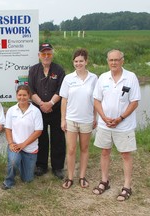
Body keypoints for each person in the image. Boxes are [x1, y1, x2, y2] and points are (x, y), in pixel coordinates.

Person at [92, 49, 141, 201]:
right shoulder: (103, 78)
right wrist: (104, 117)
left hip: (123, 125)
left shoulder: (130, 77)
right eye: (111, 60)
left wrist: (120, 118)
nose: (114, 63)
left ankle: (127, 186)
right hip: (105, 124)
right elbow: (96, 100)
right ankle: (104, 181)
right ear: (107, 61)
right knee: (105, 152)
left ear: (122, 60)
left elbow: (134, 102)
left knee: (125, 154)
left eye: (117, 60)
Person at [59, 49, 98, 189]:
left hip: (87, 120)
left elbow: (96, 100)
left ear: (86, 61)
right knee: (70, 149)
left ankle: (82, 176)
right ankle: (70, 177)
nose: (78, 63)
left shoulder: (94, 78)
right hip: (71, 120)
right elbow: (64, 100)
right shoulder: (68, 78)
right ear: (73, 62)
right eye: (76, 61)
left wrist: (95, 117)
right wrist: (63, 119)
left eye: (81, 61)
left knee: (85, 148)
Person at [28, 43, 66, 179]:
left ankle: (58, 167)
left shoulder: (59, 70)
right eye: (43, 54)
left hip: (56, 109)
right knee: (41, 138)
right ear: (39, 55)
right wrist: (42, 104)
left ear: (52, 55)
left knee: (58, 139)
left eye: (48, 53)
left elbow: (61, 90)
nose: (46, 56)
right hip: (38, 111)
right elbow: (31, 90)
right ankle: (41, 165)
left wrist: (50, 103)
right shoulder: (33, 70)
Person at [1, 85, 43, 190]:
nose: (22, 97)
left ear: (29, 96)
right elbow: (8, 129)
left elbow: (38, 131)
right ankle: (9, 181)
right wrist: (11, 143)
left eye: (24, 95)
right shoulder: (11, 110)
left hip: (30, 149)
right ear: (16, 96)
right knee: (14, 161)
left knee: (27, 179)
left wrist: (23, 144)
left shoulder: (35, 111)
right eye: (19, 95)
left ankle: (21, 165)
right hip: (15, 146)